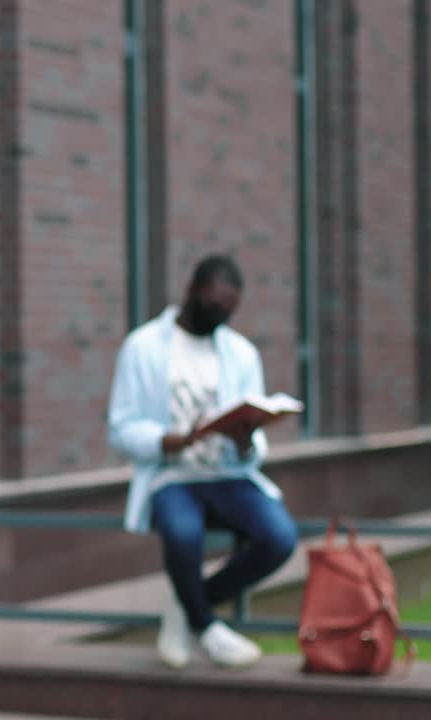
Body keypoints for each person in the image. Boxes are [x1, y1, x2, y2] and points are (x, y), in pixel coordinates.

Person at [107, 255, 297, 669]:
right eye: (214, 307)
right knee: (181, 533)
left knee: (280, 537)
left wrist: (247, 438)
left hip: (229, 473)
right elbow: (121, 428)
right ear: (191, 290)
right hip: (171, 475)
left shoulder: (241, 352)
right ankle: (206, 625)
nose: (221, 317)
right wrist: (171, 441)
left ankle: (186, 604)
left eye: (229, 311)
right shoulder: (143, 347)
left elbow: (253, 438)